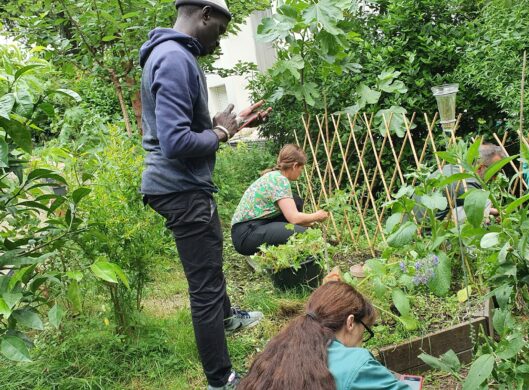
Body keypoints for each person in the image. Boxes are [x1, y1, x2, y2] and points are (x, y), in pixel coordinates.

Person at [139, 1, 271, 388]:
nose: (220, 38)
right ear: (206, 15)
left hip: (183, 185)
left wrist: (230, 124)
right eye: (222, 28)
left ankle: (228, 319)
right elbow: (176, 141)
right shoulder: (175, 59)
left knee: (210, 267)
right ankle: (222, 378)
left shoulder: (168, 55)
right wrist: (222, 133)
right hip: (180, 188)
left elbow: (185, 129)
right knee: (205, 286)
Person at [237, 281, 411, 390]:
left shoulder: (277, 350)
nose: (361, 342)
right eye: (365, 330)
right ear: (350, 323)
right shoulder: (356, 364)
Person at [231, 144, 329, 256]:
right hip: (246, 235)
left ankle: (280, 248)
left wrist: (309, 222)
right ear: (295, 165)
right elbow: (294, 218)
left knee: (296, 201)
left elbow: (291, 211)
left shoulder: (275, 176)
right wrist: (317, 216)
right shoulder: (279, 180)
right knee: (304, 235)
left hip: (252, 228)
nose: (301, 172)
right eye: (301, 168)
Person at [414, 143, 506, 223]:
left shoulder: (450, 168)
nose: (494, 178)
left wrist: (492, 211)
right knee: (484, 203)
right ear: (480, 167)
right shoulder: (468, 184)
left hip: (412, 220)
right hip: (428, 233)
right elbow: (477, 213)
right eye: (495, 172)